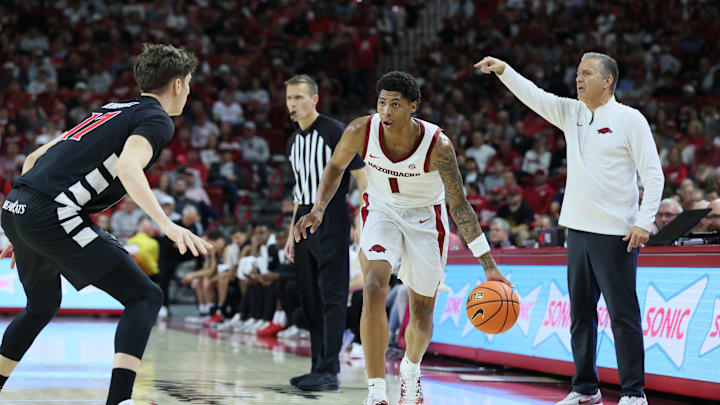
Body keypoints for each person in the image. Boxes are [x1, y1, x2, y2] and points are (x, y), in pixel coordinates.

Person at [0, 44, 211, 405]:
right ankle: (120, 401)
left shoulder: (113, 108)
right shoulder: (158, 119)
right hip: (50, 213)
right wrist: (167, 224)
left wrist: (25, 231)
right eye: (189, 83)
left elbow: (35, 157)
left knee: (41, 304)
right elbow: (128, 168)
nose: (189, 92)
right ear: (177, 85)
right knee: (145, 295)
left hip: (16, 206)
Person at [294, 71, 510, 405]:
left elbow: (460, 206)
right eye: (382, 103)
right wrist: (319, 208)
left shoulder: (438, 146)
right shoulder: (359, 130)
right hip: (381, 211)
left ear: (413, 107)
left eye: (395, 104)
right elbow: (336, 167)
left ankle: (410, 371)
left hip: (426, 219)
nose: (387, 112)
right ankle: (376, 391)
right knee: (374, 285)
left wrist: (489, 265)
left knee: (422, 312)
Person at [477, 53, 663, 405]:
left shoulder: (630, 119)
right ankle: (584, 388)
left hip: (616, 234)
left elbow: (653, 174)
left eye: (587, 74)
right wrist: (505, 70)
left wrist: (644, 221)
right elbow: (534, 95)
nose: (579, 79)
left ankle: (634, 393)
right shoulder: (571, 112)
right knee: (580, 315)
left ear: (607, 81)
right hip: (576, 231)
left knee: (623, 316)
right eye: (578, 73)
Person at [284, 74, 368, 392]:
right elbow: (298, 191)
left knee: (333, 296)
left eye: (299, 98)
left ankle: (330, 369)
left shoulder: (334, 131)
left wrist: (361, 218)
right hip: (304, 217)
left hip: (332, 215)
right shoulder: (293, 140)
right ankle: (317, 365)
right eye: (290, 98)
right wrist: (290, 234)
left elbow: (363, 177)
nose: (293, 104)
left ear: (315, 99)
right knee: (309, 299)